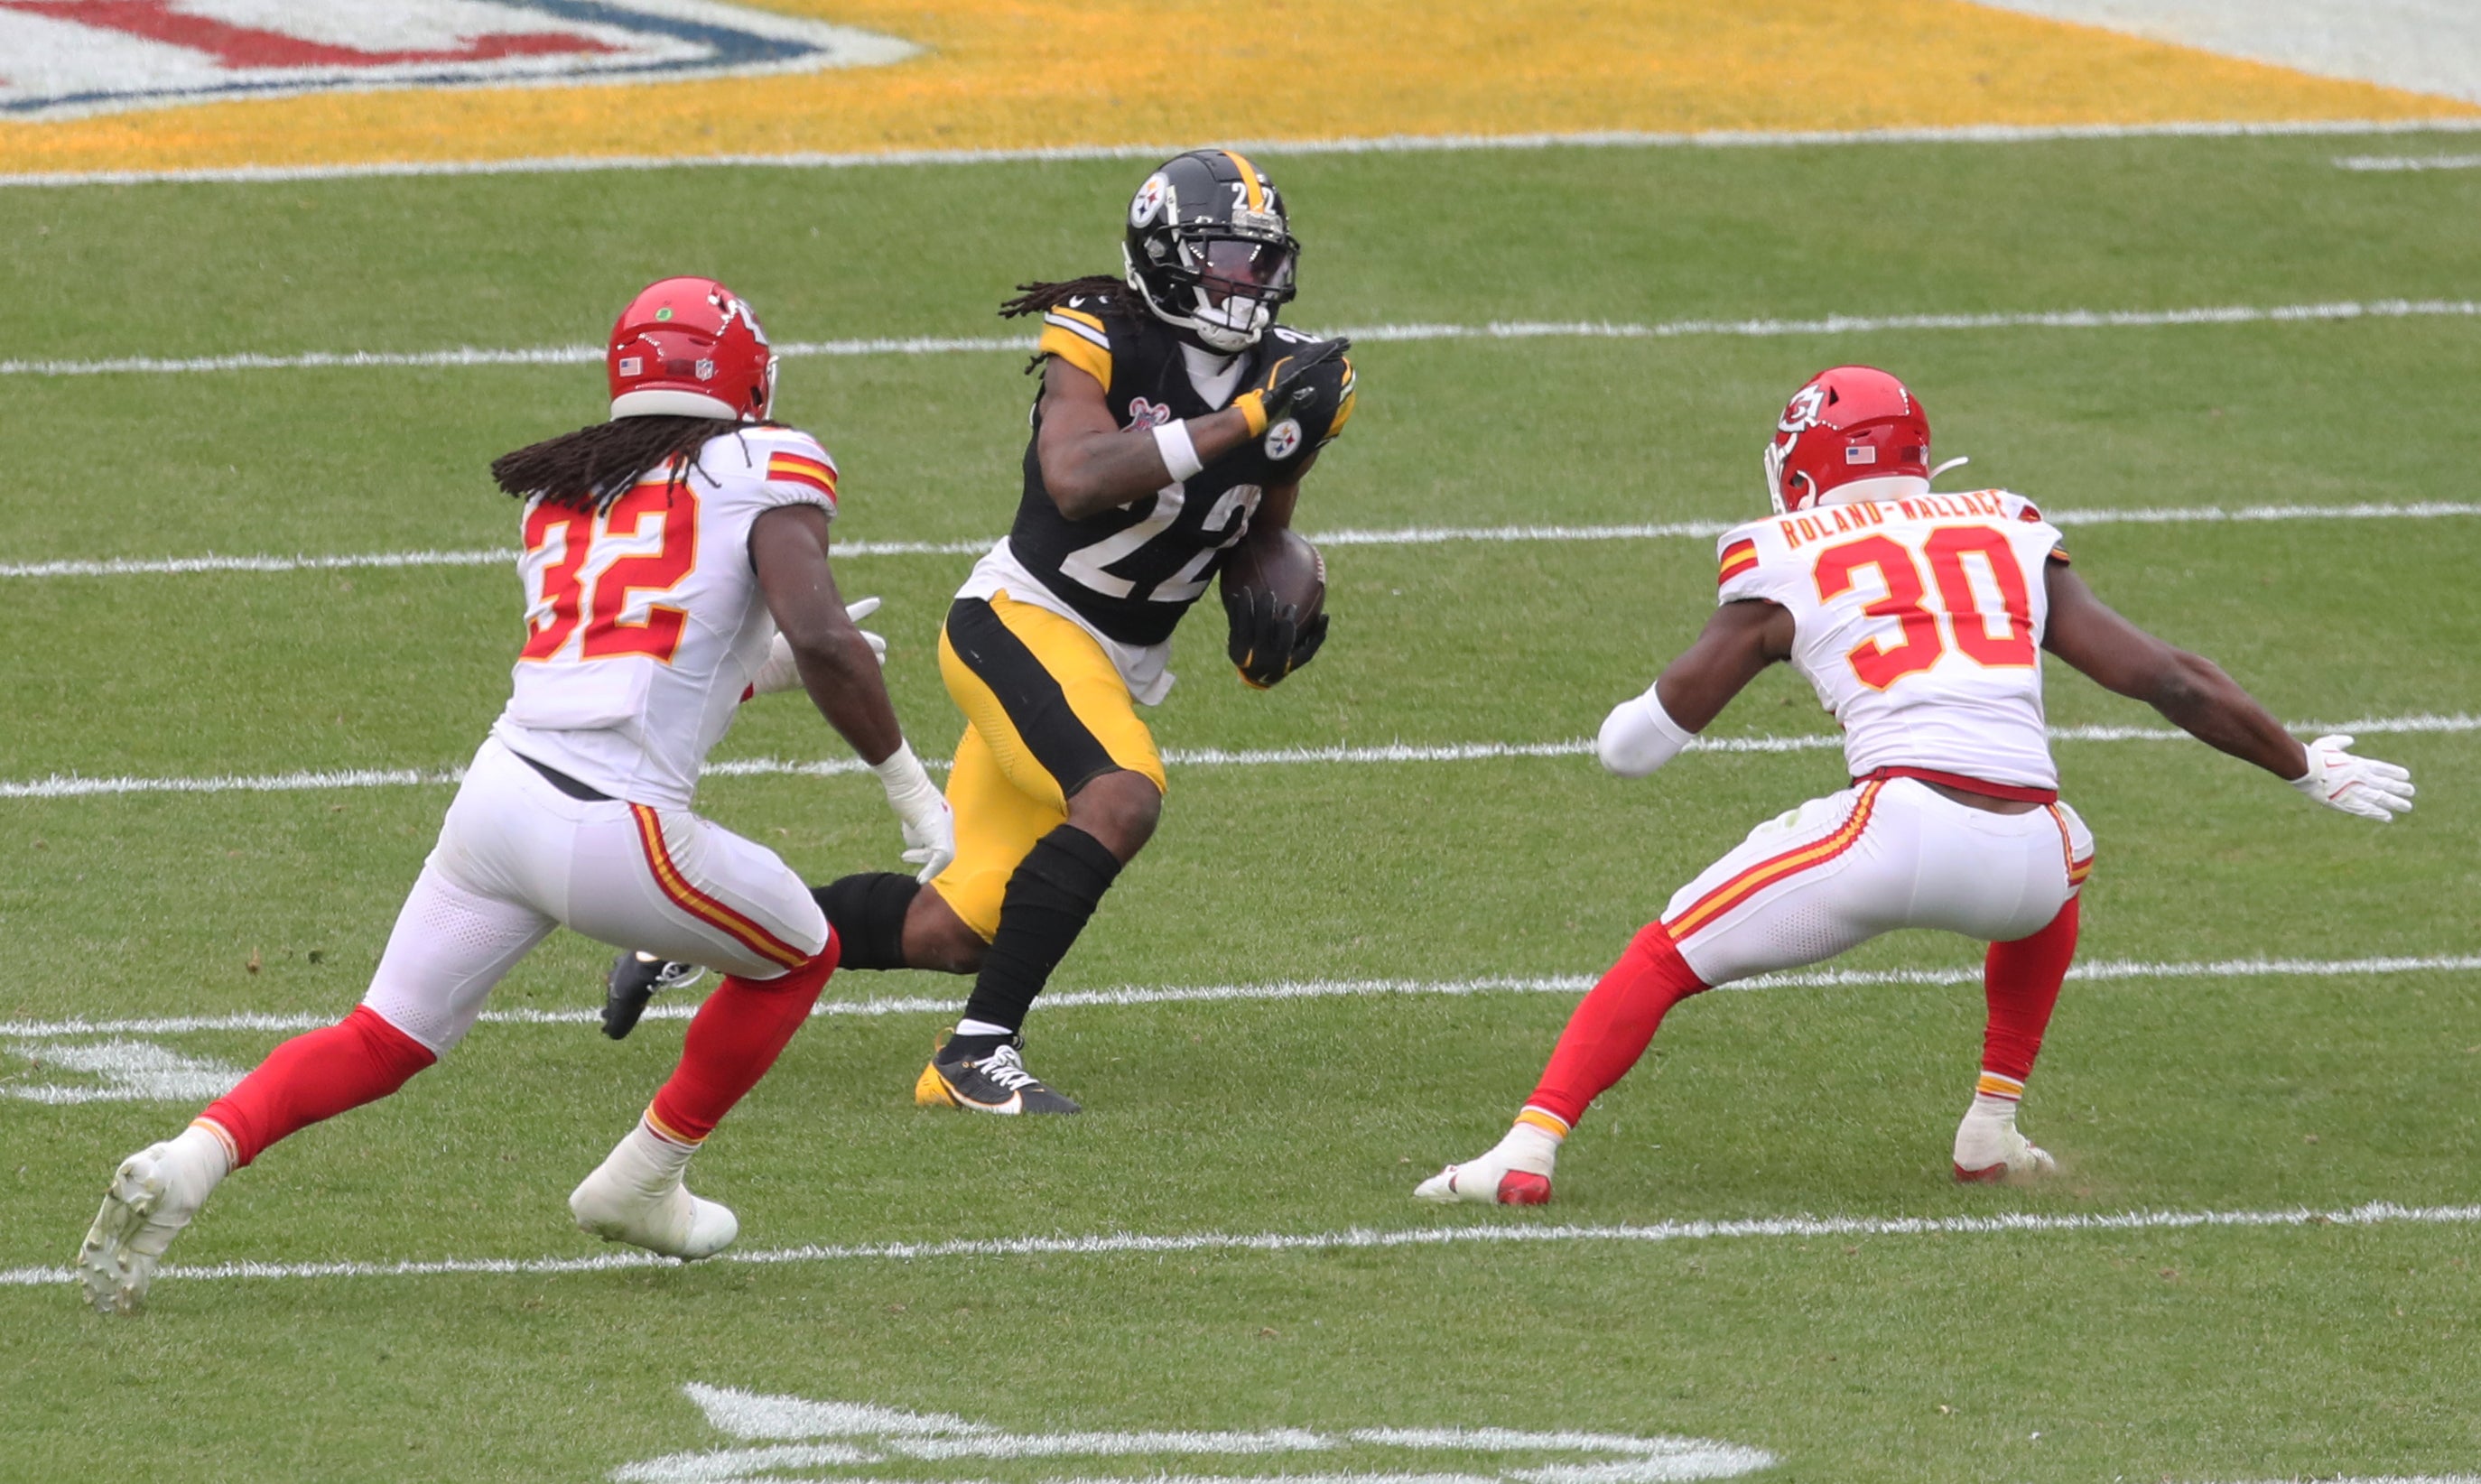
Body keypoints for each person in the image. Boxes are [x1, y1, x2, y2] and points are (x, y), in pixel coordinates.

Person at [75, 277, 955, 1312]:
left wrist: (764, 672)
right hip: (613, 825)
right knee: (801, 950)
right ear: (745, 379)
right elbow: (819, 631)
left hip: (499, 800)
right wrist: (908, 786)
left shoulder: (566, 488)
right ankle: (643, 1180)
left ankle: (195, 1155)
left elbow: (640, 659)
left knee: (383, 1035)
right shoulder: (767, 460)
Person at [1417, 365, 2415, 1204]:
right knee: (2070, 844)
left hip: (1894, 831)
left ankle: (1527, 1149)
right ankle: (1992, 1123)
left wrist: (1636, 717)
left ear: (1800, 468)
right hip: (2025, 859)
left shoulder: (1783, 552)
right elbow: (2168, 678)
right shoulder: (2008, 528)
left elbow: (1638, 747)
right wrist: (2305, 767)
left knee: (1666, 953)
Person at [603, 149, 1357, 1115]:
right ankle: (975, 1054)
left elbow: (1265, 525)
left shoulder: (1303, 382)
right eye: (1221, 258)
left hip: (1109, 660)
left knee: (953, 928)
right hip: (1018, 623)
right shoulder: (1098, 334)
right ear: (1163, 256)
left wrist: (1275, 607)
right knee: (1121, 797)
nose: (1243, 283)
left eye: (1259, 262)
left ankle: (690, 935)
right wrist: (1244, 418)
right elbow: (1078, 475)